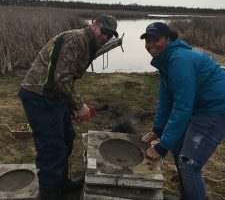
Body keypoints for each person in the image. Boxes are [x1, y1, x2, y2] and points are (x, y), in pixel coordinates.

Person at [18, 14, 119, 200]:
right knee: (52, 149)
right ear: (93, 25)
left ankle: (62, 184)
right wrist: (79, 105)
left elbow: (69, 77)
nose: (106, 37)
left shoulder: (90, 44)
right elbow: (61, 78)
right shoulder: (76, 38)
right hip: (38, 96)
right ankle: (49, 194)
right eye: (104, 31)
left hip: (56, 96)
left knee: (66, 138)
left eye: (111, 35)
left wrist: (71, 104)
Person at [140, 22, 225, 200]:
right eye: (147, 40)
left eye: (156, 39)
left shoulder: (179, 60)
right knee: (178, 147)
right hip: (199, 106)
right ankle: (188, 195)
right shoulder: (166, 60)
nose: (151, 44)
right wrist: (158, 129)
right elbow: (166, 99)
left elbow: (183, 106)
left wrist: (162, 146)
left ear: (169, 39)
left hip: (216, 108)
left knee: (189, 164)